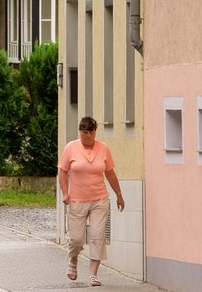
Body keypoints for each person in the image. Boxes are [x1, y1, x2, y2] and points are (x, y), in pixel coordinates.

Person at [57, 116, 124, 287]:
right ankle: (73, 259)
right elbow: (63, 171)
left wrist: (118, 194)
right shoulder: (71, 147)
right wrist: (65, 193)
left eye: (89, 132)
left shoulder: (103, 148)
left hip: (99, 199)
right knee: (77, 239)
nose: (86, 135)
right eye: (83, 132)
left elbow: (109, 173)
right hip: (77, 200)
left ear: (95, 132)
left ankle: (93, 275)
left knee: (97, 236)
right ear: (79, 132)